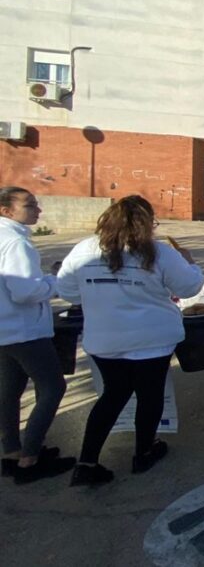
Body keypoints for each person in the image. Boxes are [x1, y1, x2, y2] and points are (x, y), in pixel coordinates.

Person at [58, 196, 204, 486]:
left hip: (105, 340)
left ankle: (87, 462)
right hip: (152, 339)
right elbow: (189, 287)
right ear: (147, 223)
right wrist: (191, 263)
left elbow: (67, 291)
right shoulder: (159, 253)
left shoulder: (85, 249)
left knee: (112, 396)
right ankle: (144, 452)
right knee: (150, 396)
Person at [0, 187, 75, 484]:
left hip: (5, 330)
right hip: (25, 331)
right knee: (52, 388)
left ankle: (11, 452)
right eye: (29, 205)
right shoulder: (16, 242)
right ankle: (30, 459)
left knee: (9, 391)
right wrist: (56, 282)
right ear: (6, 210)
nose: (38, 210)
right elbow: (25, 291)